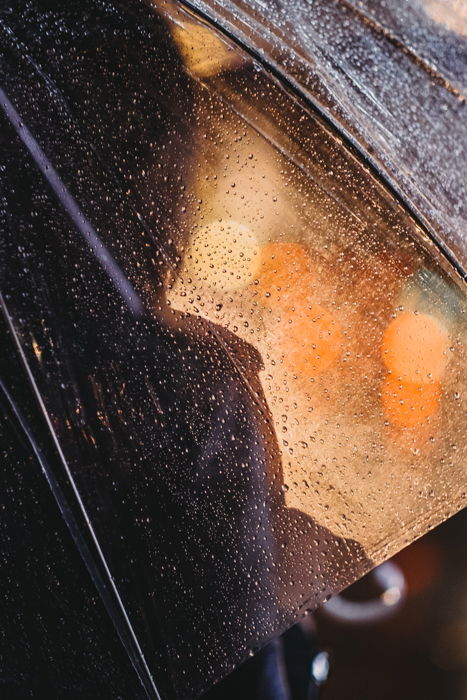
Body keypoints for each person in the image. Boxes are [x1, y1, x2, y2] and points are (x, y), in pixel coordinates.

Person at [2, 1, 371, 697]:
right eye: (184, 140)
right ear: (139, 158)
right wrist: (280, 580)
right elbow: (236, 658)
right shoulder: (177, 388)